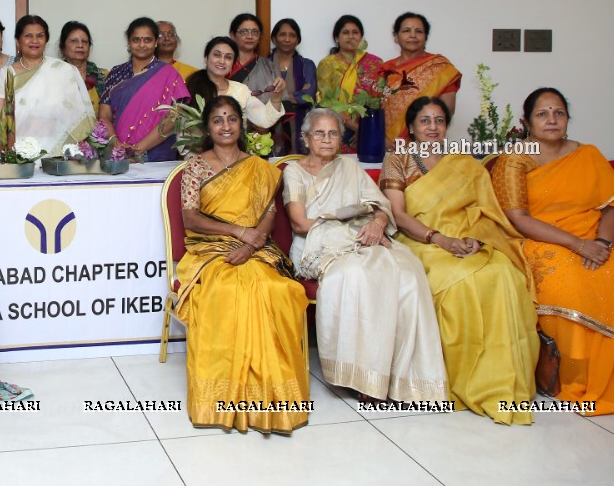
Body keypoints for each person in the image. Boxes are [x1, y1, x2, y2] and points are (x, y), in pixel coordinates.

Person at [492, 87, 614, 415]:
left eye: (559, 113)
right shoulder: (514, 160)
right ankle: (583, 376)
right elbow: (518, 219)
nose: (552, 119)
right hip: (543, 239)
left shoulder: (586, 154)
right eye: (542, 114)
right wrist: (578, 246)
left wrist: (603, 245)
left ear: (567, 118)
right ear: (526, 121)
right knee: (572, 281)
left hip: (596, 236)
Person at [381, 97, 538, 423]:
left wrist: (474, 238)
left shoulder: (464, 163)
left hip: (467, 238)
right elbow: (397, 214)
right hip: (420, 240)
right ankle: (456, 378)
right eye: (424, 121)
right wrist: (439, 238)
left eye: (439, 121)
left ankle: (503, 380)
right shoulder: (398, 158)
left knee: (503, 274)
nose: (433, 127)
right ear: (411, 127)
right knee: (461, 283)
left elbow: (484, 212)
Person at [283, 108, 447, 402]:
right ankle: (362, 377)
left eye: (333, 133)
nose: (327, 139)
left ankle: (402, 374)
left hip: (364, 238)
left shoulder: (350, 169)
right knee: (358, 275)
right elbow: (300, 224)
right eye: (319, 133)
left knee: (406, 270)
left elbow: (381, 208)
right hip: (318, 246)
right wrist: (347, 224)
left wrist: (376, 223)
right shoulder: (295, 172)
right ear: (305, 139)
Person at [175, 96, 310, 434]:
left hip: (255, 249)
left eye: (232, 119)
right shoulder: (196, 166)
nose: (225, 126)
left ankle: (275, 400)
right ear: (207, 126)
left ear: (241, 124)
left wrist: (251, 246)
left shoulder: (259, 167)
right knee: (226, 289)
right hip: (211, 249)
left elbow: (268, 216)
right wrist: (237, 233)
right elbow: (191, 219)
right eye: (218, 120)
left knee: (277, 289)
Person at [0, 15, 94, 154]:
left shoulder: (63, 70)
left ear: (46, 40)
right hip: (18, 154)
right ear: (18, 41)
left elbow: (78, 117)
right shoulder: (7, 74)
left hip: (58, 153)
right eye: (28, 36)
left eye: (40, 36)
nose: (34, 41)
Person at [98, 17, 189, 162]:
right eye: (136, 40)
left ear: (156, 42)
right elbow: (104, 115)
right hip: (118, 155)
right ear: (128, 42)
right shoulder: (116, 73)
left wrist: (138, 148)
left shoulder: (170, 74)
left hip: (157, 155)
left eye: (147, 40)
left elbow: (174, 118)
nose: (142, 45)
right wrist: (116, 144)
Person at [380, 12, 460, 147]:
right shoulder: (385, 70)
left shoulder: (439, 68)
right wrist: (382, 140)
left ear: (425, 37)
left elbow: (447, 110)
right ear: (396, 37)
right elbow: (374, 110)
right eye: (406, 31)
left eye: (419, 31)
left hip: (425, 145)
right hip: (386, 146)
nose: (413, 35)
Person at [186, 37, 284, 134]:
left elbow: (265, 120)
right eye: (217, 55)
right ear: (206, 58)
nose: (222, 61)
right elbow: (182, 130)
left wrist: (277, 96)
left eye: (228, 57)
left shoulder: (241, 90)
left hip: (234, 148)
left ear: (233, 64)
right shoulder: (191, 87)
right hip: (199, 149)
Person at [315, 15, 384, 153]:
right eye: (345, 32)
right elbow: (325, 100)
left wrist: (367, 129)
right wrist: (356, 128)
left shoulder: (375, 63)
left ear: (361, 37)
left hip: (370, 129)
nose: (350, 36)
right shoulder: (327, 64)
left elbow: (380, 100)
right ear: (336, 38)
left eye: (355, 32)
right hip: (337, 129)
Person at [268, 18, 317, 153]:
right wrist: (296, 95)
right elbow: (263, 96)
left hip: (301, 124)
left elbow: (308, 97)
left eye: (292, 35)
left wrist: (278, 96)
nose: (287, 39)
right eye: (283, 34)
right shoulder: (265, 65)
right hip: (272, 123)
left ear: (298, 40)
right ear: (274, 38)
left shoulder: (307, 65)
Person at [59, 20, 107, 116]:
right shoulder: (54, 76)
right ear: (62, 48)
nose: (80, 45)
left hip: (98, 130)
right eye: (74, 41)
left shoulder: (104, 76)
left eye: (84, 41)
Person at [227, 13, 277, 98]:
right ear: (233, 35)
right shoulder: (223, 63)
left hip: (263, 111)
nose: (250, 36)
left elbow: (282, 97)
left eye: (255, 32)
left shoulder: (269, 66)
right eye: (244, 31)